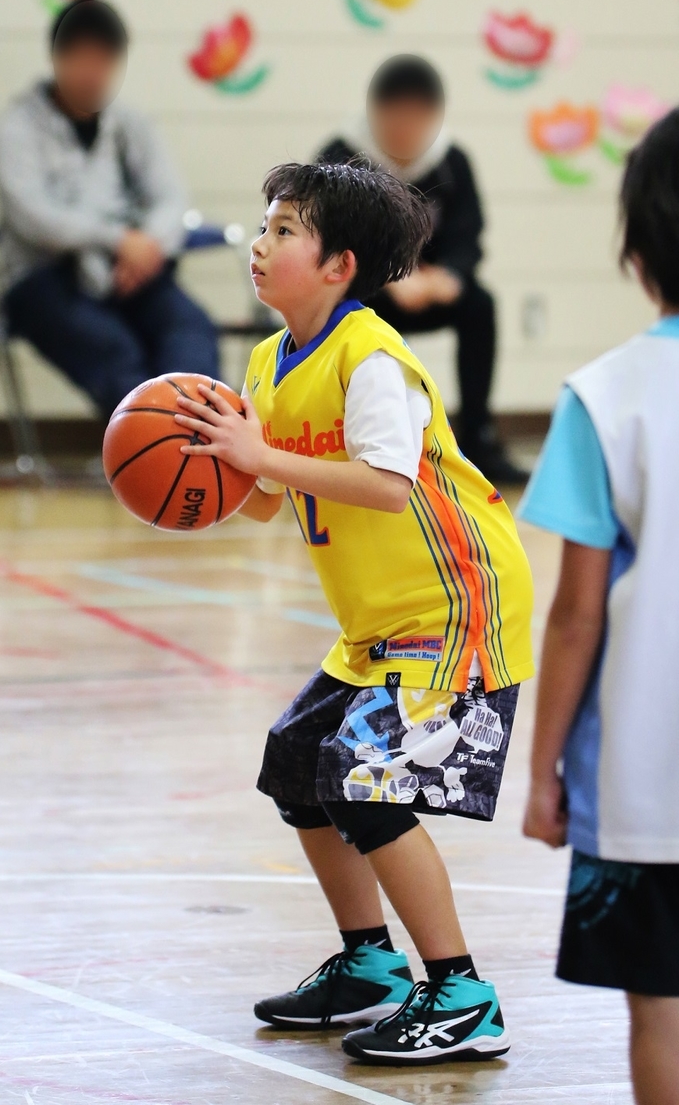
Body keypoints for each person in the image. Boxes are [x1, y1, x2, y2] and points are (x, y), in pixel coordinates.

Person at [174, 162, 534, 1066]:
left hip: (454, 607)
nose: (261, 244)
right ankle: (370, 967)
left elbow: (382, 484)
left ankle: (461, 994)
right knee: (299, 765)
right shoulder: (267, 360)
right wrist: (202, 468)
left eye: (285, 230)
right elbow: (265, 497)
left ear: (338, 264)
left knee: (365, 782)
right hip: (378, 622)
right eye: (263, 226)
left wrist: (263, 456)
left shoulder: (371, 357)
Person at [520, 110, 679, 1105]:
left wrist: (541, 772)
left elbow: (576, 615)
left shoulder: (605, 395)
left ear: (634, 247)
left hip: (646, 781)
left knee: (659, 1013)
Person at [0, 0, 219, 419]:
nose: (92, 72)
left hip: (131, 273)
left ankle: (197, 445)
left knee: (189, 327)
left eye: (104, 59)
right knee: (113, 348)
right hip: (44, 280)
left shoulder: (129, 124)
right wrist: (118, 239)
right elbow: (33, 216)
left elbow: (170, 197)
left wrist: (148, 246)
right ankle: (147, 454)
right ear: (56, 58)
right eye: (81, 58)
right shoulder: (16, 128)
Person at [317, 55, 526, 484]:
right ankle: (339, 437)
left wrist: (451, 273)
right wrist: (392, 276)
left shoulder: (452, 161)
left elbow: (469, 232)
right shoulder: (340, 158)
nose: (406, 128)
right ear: (374, 111)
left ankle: (479, 435)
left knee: (479, 304)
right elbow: (326, 242)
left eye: (418, 116)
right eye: (396, 115)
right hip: (366, 290)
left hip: (431, 287)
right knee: (339, 311)